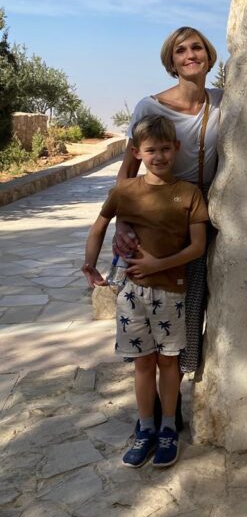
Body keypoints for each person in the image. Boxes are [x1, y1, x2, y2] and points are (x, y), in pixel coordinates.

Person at [82, 114, 208, 467]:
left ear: (176, 149)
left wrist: (157, 265)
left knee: (169, 363)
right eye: (151, 150)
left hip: (171, 293)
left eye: (166, 149)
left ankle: (168, 427)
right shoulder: (125, 190)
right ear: (137, 152)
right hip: (132, 296)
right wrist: (89, 264)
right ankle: (146, 428)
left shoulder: (189, 194)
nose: (159, 157)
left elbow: (197, 247)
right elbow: (99, 225)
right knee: (142, 364)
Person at [115, 26, 223, 384]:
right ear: (171, 61)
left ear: (208, 56)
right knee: (152, 301)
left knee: (190, 305)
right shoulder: (150, 106)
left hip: (200, 211)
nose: (190, 55)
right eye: (181, 51)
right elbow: (129, 170)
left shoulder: (222, 102)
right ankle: (155, 405)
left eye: (197, 48)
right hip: (158, 214)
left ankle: (177, 387)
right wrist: (122, 223)